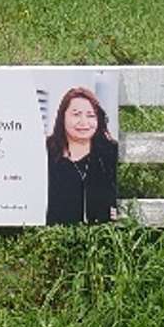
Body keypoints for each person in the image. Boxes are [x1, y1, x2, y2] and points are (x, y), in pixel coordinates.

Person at [45, 86, 119, 224]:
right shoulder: (46, 152)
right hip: (53, 235)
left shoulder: (110, 152)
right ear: (62, 116)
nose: (84, 122)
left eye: (91, 115)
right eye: (76, 114)